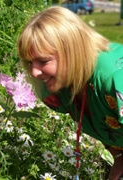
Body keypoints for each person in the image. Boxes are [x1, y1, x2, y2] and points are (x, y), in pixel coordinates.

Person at [17, 6, 123, 180]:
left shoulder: (115, 79)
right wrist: (118, 155)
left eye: (43, 61)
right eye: (29, 63)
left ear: (73, 51)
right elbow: (103, 123)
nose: (34, 72)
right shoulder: (59, 86)